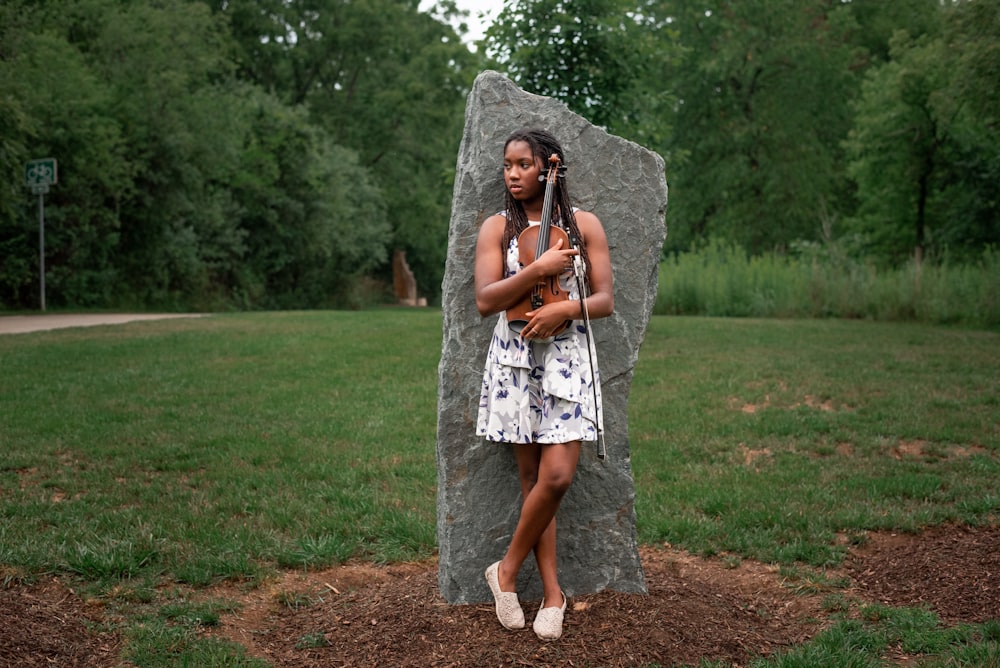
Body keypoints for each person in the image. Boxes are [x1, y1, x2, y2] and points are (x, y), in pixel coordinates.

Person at [474, 128, 614, 640]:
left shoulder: (582, 226)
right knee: (532, 483)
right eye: (507, 165)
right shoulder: (497, 228)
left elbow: (604, 300)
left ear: (547, 168)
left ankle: (504, 571)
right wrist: (539, 268)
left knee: (556, 478)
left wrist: (564, 306)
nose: (512, 174)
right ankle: (552, 594)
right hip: (514, 361)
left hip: (566, 360)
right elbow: (487, 299)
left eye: (523, 165)